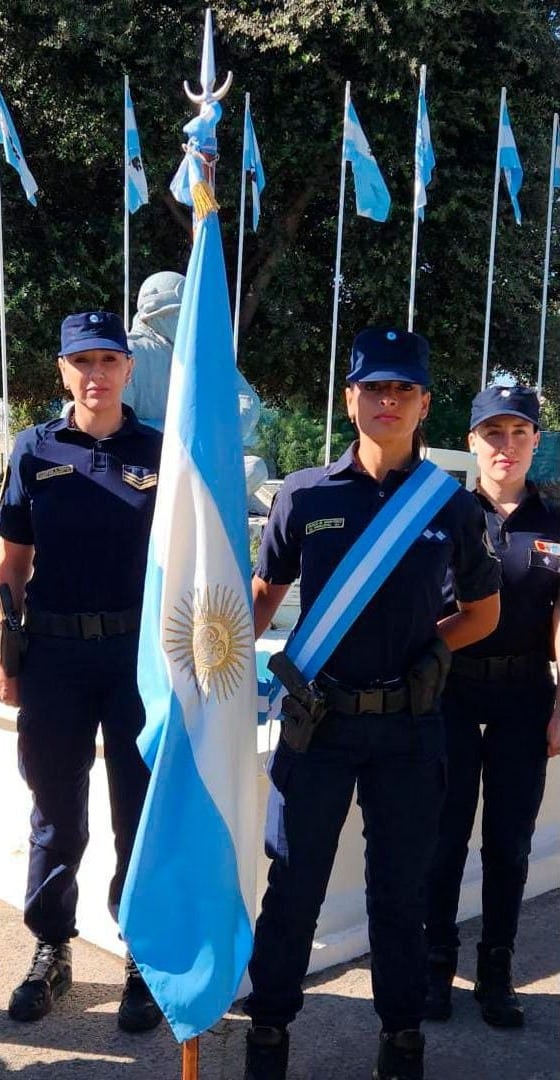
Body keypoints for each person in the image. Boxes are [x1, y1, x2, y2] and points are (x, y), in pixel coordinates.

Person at [243, 327, 501, 1080]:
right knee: (293, 887)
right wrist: (209, 666)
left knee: (400, 892)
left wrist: (433, 654)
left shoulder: (449, 507)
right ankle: (269, 1031)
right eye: (373, 388)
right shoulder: (304, 493)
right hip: (317, 725)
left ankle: (400, 1035)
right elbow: (262, 600)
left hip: (409, 732)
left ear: (424, 404)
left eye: (403, 390)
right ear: (351, 397)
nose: (387, 401)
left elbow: (482, 613)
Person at [0, 311, 164, 1033]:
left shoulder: (163, 451)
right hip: (56, 658)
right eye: (82, 362)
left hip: (137, 661)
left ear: (129, 368)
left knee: (140, 815)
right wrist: (7, 659)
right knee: (55, 816)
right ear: (62, 371)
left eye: (109, 360)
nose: (96, 375)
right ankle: (52, 948)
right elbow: (11, 562)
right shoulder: (32, 450)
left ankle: (144, 958)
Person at [424, 384, 560, 1028]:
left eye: (519, 434)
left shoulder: (555, 522)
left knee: (508, 842)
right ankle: (434, 964)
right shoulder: (442, 512)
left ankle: (497, 971)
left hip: (525, 696)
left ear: (536, 442)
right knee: (443, 835)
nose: (506, 447)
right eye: (493, 434)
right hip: (451, 690)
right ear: (472, 441)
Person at [124, 269, 268, 494]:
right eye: (183, 314)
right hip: (146, 466)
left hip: (197, 461)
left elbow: (246, 399)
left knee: (256, 468)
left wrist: (217, 434)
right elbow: (121, 427)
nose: (190, 322)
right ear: (155, 312)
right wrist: (184, 434)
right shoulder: (130, 353)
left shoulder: (199, 353)